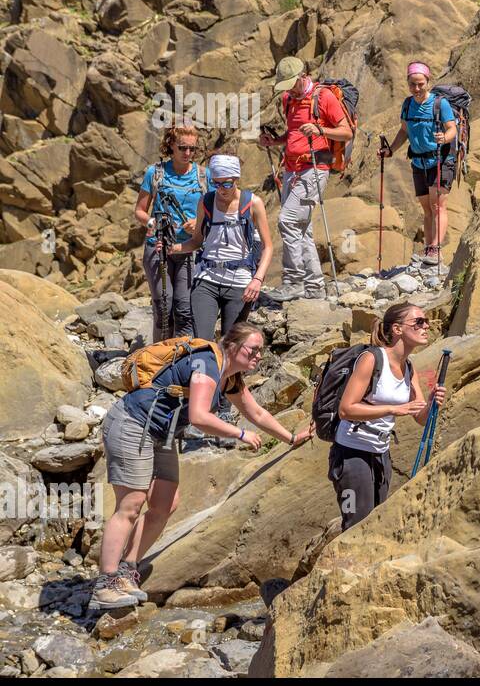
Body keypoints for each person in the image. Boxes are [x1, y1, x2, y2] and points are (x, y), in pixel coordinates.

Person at [89, 323, 313, 610]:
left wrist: (291, 438)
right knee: (130, 505)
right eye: (253, 349)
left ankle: (126, 570)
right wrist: (239, 434)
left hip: (161, 433)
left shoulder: (229, 377)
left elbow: (255, 411)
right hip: (133, 424)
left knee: (165, 503)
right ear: (232, 346)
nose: (258, 356)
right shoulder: (207, 363)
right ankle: (105, 584)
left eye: (261, 350)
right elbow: (198, 416)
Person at [331, 303, 447, 530]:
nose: (426, 327)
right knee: (356, 522)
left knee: (376, 522)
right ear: (397, 329)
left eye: (426, 322)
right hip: (351, 454)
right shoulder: (372, 359)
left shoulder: (408, 368)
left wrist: (432, 401)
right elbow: (346, 409)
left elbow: (421, 417)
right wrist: (392, 410)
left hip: (381, 454)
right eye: (419, 322)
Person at [258, 56, 352, 301]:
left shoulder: (324, 97)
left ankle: (293, 281)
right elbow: (293, 134)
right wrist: (275, 141)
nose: (288, 89)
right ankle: (314, 286)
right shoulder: (289, 99)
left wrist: (320, 130)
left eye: (291, 83)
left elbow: (346, 133)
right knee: (302, 230)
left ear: (302, 77)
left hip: (315, 169)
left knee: (287, 221)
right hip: (291, 171)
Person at [168, 154, 273, 342]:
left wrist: (257, 279)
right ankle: (202, 370)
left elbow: (268, 247)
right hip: (206, 279)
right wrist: (174, 248)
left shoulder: (253, 203)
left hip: (240, 282)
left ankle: (231, 373)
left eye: (227, 184)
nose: (222, 190)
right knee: (202, 343)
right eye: (216, 184)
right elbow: (197, 241)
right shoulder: (206, 202)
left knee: (230, 345)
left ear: (236, 180)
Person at [133, 122, 209, 342]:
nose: (188, 153)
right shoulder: (155, 173)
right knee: (164, 308)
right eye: (183, 147)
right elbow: (140, 211)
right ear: (171, 146)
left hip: (189, 250)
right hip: (158, 249)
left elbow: (215, 211)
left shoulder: (204, 176)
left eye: (192, 149)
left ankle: (184, 356)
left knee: (184, 309)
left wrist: (198, 222)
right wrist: (153, 224)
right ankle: (160, 358)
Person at [380, 62, 458, 273]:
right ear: (407, 83)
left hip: (440, 160)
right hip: (418, 162)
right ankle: (428, 248)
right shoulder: (407, 104)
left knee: (437, 206)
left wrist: (444, 137)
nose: (416, 88)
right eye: (412, 84)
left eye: (420, 84)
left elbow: (452, 129)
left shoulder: (439, 104)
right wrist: (391, 150)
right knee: (426, 208)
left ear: (428, 82)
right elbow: (404, 131)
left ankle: (436, 249)